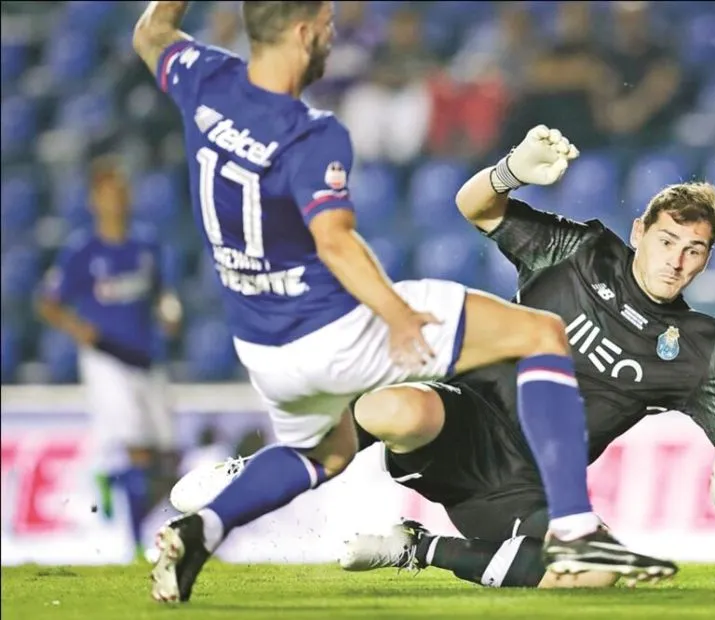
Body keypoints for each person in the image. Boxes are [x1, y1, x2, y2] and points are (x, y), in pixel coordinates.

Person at [131, 1, 675, 603]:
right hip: (329, 329)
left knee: (325, 453)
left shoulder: (204, 80)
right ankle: (575, 530)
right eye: (329, 30)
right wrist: (395, 314)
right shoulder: (313, 133)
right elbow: (333, 241)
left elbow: (152, 31)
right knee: (541, 334)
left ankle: (199, 530)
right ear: (303, 31)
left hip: (263, 347)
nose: (332, 42)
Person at [334, 136, 715, 589]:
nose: (676, 261)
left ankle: (417, 549)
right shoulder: (577, 254)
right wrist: (511, 171)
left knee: (594, 576)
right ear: (639, 232)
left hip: (535, 488)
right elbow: (474, 205)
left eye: (695, 250)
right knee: (393, 407)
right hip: (466, 422)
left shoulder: (698, 349)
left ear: (707, 260)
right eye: (667, 241)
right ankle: (266, 468)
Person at [36, 156, 182, 559]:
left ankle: (111, 480)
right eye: (107, 194)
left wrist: (169, 311)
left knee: (167, 456)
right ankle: (134, 544)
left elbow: (161, 293)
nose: (115, 201)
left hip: (146, 356)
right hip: (106, 358)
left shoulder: (146, 245)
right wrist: (78, 328)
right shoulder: (83, 251)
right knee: (136, 446)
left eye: (120, 192)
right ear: (93, 201)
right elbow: (48, 302)